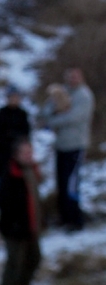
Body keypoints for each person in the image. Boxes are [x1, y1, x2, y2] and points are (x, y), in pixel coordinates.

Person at [41, 68, 94, 231]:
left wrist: (54, 120)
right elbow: (47, 111)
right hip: (61, 145)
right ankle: (64, 217)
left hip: (76, 146)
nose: (72, 80)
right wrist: (53, 115)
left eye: (75, 77)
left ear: (81, 78)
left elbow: (73, 118)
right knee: (61, 182)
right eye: (69, 77)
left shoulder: (84, 96)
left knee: (72, 184)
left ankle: (76, 220)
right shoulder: (62, 93)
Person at [0, 137, 43, 285]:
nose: (29, 156)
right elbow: (4, 204)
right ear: (16, 155)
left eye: (31, 152)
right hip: (14, 229)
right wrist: (14, 226)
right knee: (14, 263)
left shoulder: (32, 171)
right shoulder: (9, 175)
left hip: (32, 225)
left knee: (35, 258)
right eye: (25, 152)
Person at [0, 86, 31, 181]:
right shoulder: (1, 114)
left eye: (16, 97)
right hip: (4, 154)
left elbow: (26, 133)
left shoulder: (22, 114)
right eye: (11, 97)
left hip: (19, 154)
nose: (14, 99)